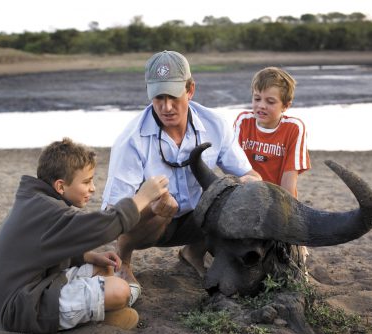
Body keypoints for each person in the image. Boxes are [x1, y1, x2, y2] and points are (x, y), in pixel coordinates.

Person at [101, 50, 261, 288]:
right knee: (153, 208)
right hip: (150, 225)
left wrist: (248, 182)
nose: (166, 107)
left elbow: (251, 175)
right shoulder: (131, 139)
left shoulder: (215, 124)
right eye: (159, 98)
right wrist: (150, 204)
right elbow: (112, 211)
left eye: (174, 96)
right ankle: (123, 260)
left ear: (190, 89)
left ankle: (193, 252)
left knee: (234, 194)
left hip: (197, 221)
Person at [0, 137, 169, 334]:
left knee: (103, 267)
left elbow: (46, 248)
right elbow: (104, 227)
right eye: (86, 181)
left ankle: (102, 312)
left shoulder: (38, 202)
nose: (92, 188)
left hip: (33, 286)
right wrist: (142, 197)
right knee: (121, 290)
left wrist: (87, 257)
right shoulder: (49, 212)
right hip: (22, 307)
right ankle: (117, 304)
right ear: (60, 186)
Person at [233, 66, 311, 268]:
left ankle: (297, 242)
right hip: (247, 196)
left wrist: (287, 220)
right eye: (257, 98)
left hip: (279, 199)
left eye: (270, 101)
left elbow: (289, 179)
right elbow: (233, 167)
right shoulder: (243, 122)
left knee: (287, 256)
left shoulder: (294, 128)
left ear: (286, 105)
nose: (261, 106)